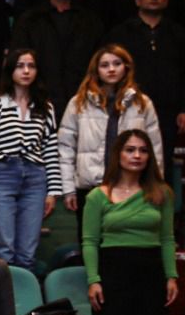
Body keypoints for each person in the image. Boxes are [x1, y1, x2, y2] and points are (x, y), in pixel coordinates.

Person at [83, 129, 178, 315]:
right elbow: (90, 242)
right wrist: (93, 280)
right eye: (130, 150)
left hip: (149, 275)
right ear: (118, 154)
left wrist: (171, 276)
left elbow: (167, 239)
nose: (137, 155)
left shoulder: (162, 193)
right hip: (113, 274)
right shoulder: (97, 196)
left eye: (143, 151)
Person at [0, 49, 62, 270]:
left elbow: (50, 149)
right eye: (20, 66)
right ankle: (2, 292)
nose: (26, 71)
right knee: (3, 248)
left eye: (31, 66)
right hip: (2, 172)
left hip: (35, 176)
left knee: (28, 251)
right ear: (10, 69)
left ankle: (24, 291)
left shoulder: (45, 107)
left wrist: (53, 191)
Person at [59, 45, 165, 225]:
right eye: (104, 65)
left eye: (117, 63)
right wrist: (68, 189)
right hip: (91, 185)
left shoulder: (142, 102)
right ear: (96, 70)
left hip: (132, 185)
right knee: (90, 238)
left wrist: (155, 184)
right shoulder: (78, 103)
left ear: (126, 67)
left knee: (128, 236)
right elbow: (66, 147)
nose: (111, 69)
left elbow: (154, 147)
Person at [105, 0, 185, 176]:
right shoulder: (121, 33)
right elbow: (109, 70)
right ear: (138, 0)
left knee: (162, 162)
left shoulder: (176, 33)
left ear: (166, 0)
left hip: (168, 111)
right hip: (130, 107)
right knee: (126, 158)